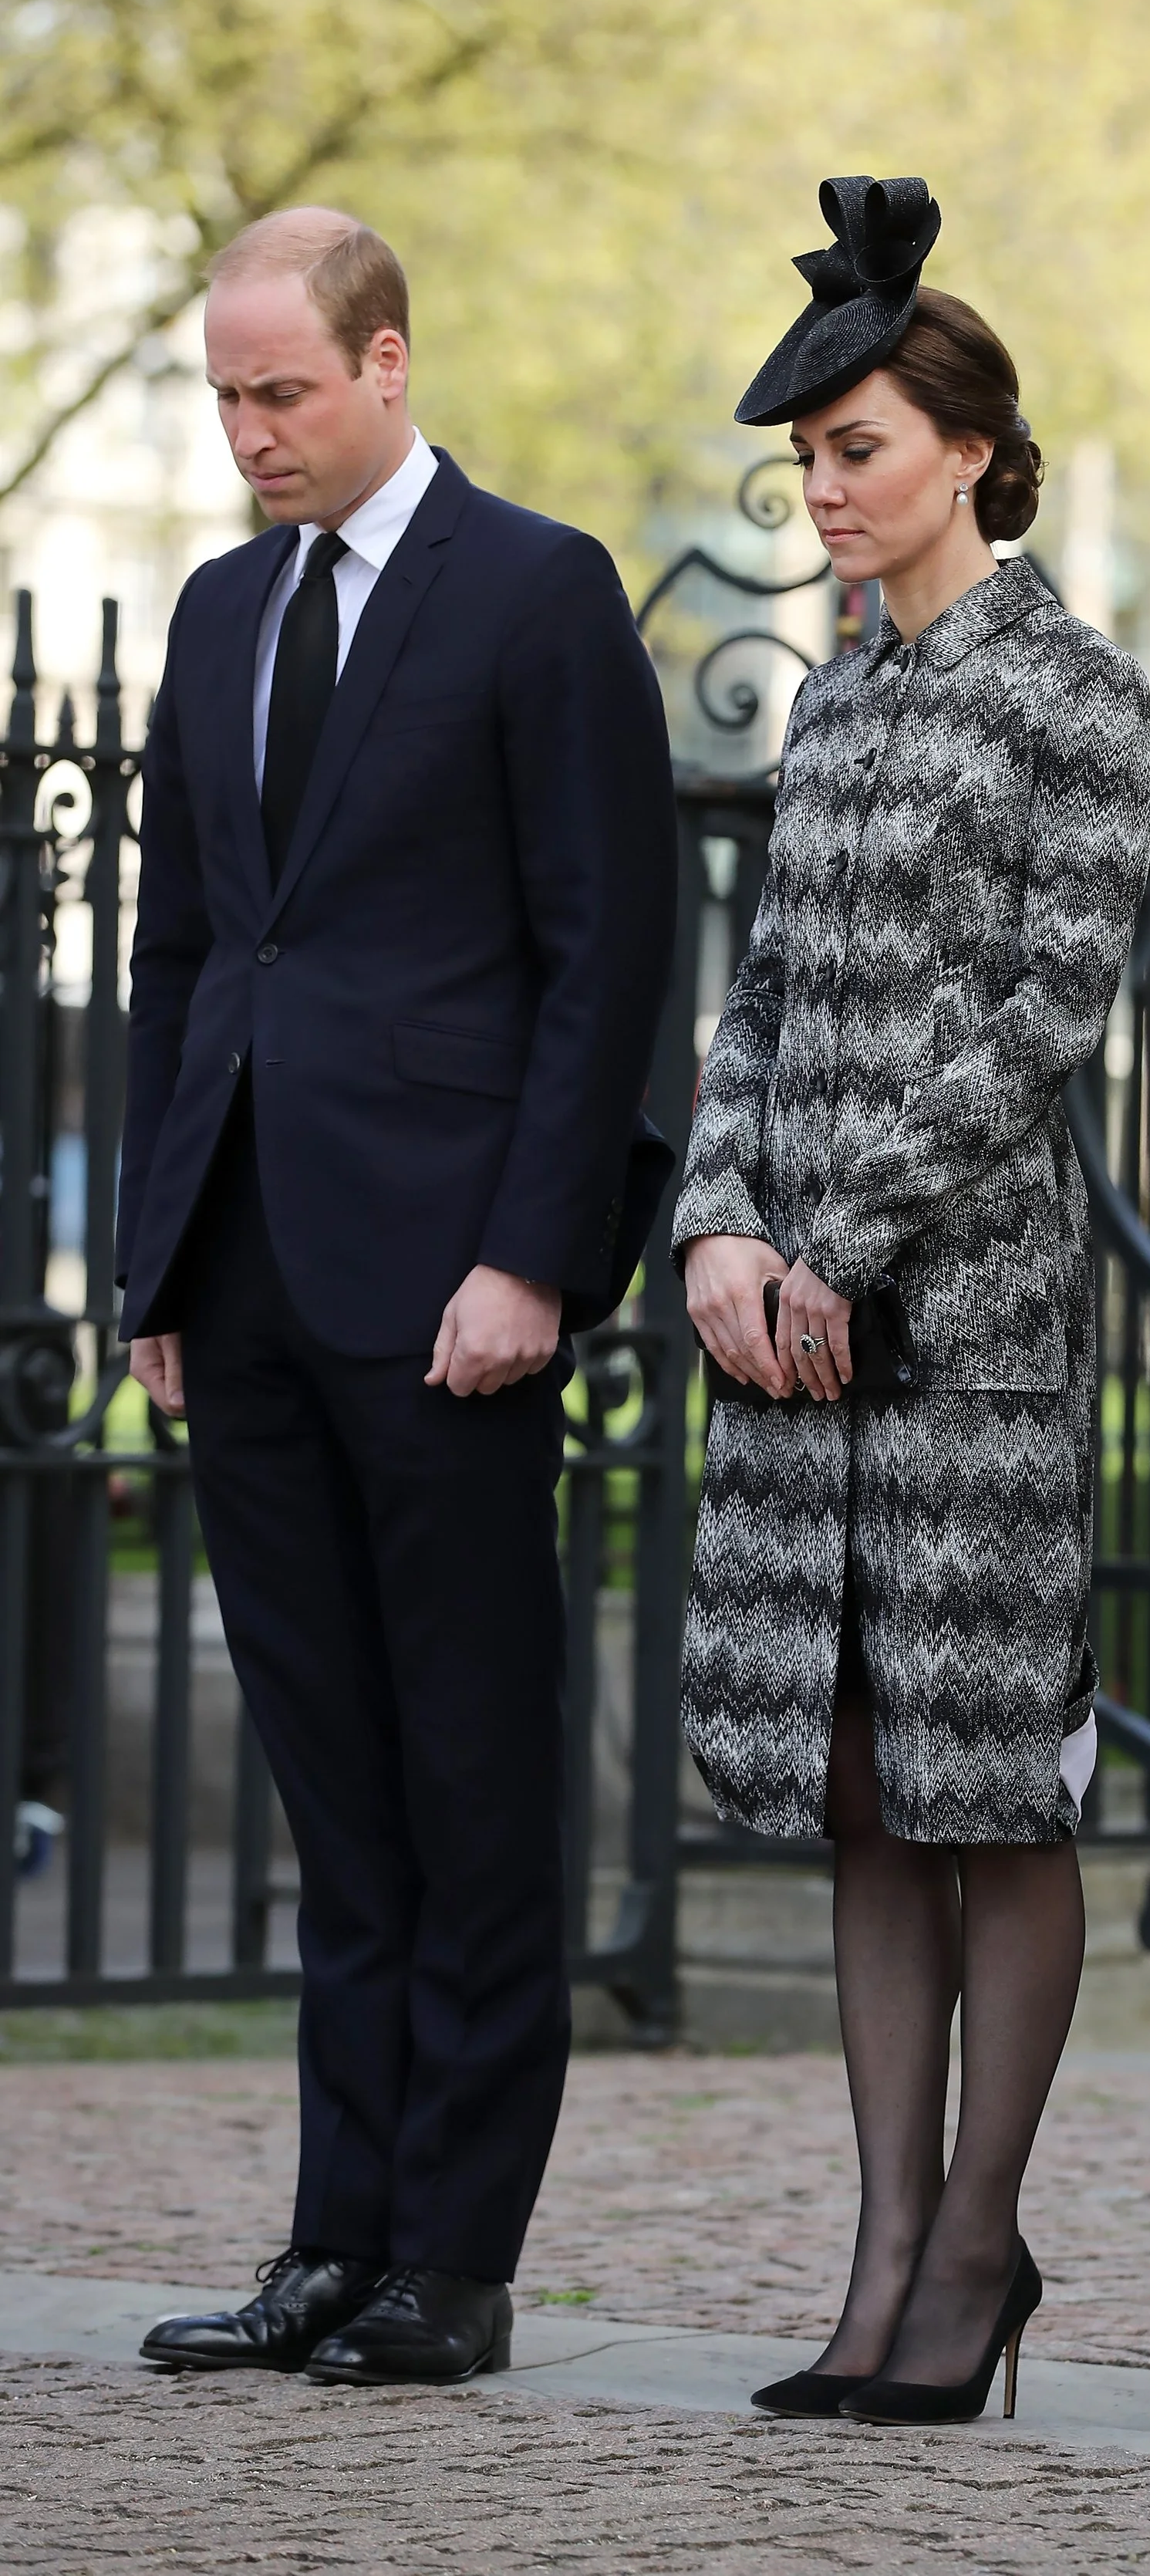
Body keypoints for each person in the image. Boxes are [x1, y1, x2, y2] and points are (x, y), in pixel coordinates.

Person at [123, 209, 676, 2386]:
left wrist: (529, 1252)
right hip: (245, 1274)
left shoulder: (537, 596)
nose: (252, 435)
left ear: (386, 364)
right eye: (226, 399)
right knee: (332, 1792)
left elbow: (601, 957)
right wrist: (162, 1258)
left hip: (450, 1283)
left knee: (467, 1775)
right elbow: (185, 958)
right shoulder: (215, 609)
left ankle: (455, 2256)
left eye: (282, 392)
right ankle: (329, 2239)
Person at [675, 177, 1150, 2426]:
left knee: (990, 1792)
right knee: (861, 1782)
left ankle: (977, 2250)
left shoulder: (1072, 692)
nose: (826, 495)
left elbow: (1038, 1017)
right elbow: (757, 1006)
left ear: (965, 442)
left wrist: (838, 1241)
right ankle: (878, 2257)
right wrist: (716, 1233)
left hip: (961, 1331)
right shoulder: (841, 702)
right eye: (804, 465)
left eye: (855, 449)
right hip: (793, 1325)